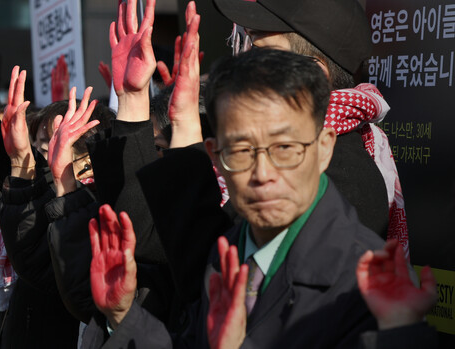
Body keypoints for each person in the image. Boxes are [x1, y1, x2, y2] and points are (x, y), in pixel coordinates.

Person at [84, 48, 436, 348]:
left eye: (285, 148)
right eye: (241, 150)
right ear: (215, 154)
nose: (262, 173)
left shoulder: (366, 284)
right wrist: (123, 316)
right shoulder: (228, 250)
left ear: (325, 147)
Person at [212, 0, 397, 243]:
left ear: (314, 77)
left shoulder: (336, 181)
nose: (246, 62)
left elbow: (208, 256)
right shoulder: (308, 160)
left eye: (263, 54)